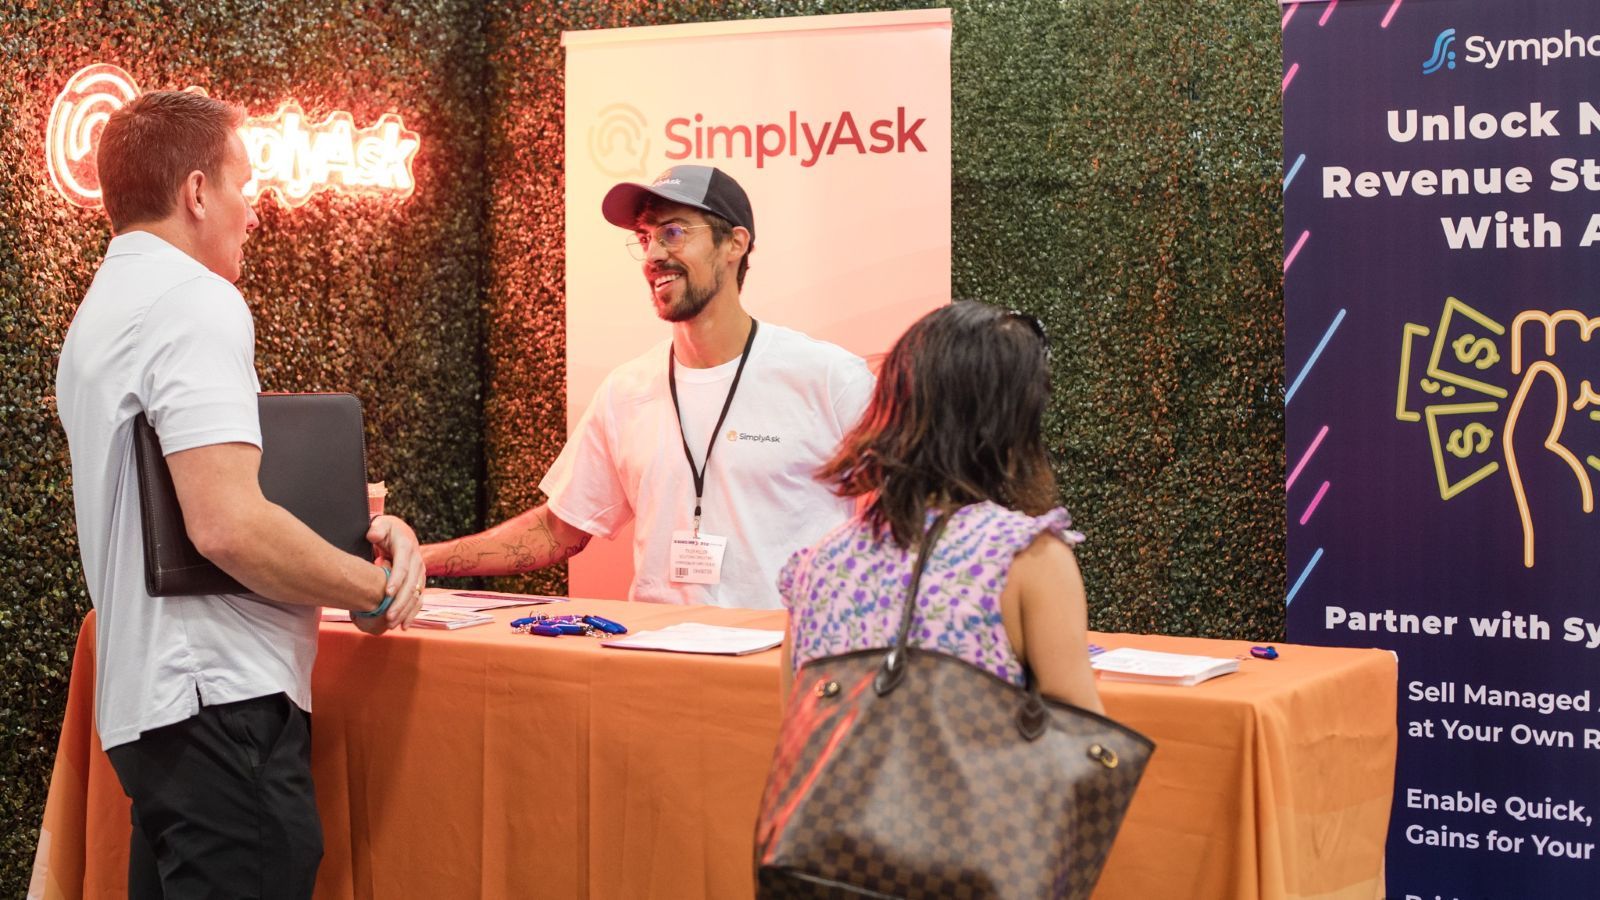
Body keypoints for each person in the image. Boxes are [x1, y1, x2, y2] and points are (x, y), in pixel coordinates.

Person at [55, 90, 427, 899]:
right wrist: (378, 589)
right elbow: (226, 525)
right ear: (194, 192)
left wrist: (350, 533)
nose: (252, 212)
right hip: (220, 704)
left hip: (159, 713)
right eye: (243, 186)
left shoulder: (102, 314)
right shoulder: (195, 300)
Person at [423, 165, 873, 609]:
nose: (653, 253)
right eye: (645, 237)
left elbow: (916, 509)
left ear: (735, 243)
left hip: (782, 665)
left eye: (673, 232)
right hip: (657, 660)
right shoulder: (627, 389)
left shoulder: (829, 378)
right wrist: (418, 561)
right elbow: (556, 532)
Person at [778, 301, 1103, 712]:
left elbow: (795, 732)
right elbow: (1079, 740)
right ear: (1012, 423)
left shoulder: (815, 567)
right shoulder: (1028, 557)